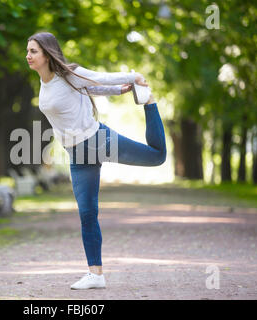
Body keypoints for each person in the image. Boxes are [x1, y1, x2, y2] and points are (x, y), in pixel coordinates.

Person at [26, 32, 166, 290]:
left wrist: (131, 78)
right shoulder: (45, 84)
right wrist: (117, 90)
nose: (28, 55)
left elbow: (96, 78)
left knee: (157, 157)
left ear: (47, 53)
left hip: (97, 140)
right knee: (87, 214)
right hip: (78, 155)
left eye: (33, 51)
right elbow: (90, 87)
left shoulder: (67, 74)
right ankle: (96, 274)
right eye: (28, 51)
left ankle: (150, 103)